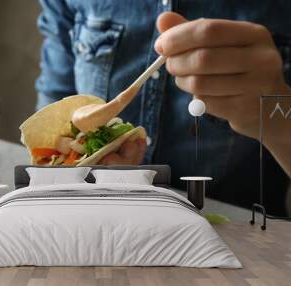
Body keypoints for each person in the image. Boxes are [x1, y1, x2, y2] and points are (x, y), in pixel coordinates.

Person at [35, 0, 291, 216]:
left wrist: (277, 117)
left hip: (239, 237)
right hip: (95, 220)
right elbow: (53, 111)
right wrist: (73, 175)